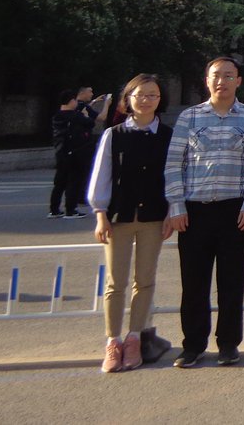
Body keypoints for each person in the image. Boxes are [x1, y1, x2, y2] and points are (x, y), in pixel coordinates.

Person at [164, 57, 244, 368]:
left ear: (238, 81)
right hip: (194, 212)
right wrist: (176, 206)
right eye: (216, 76)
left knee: (232, 282)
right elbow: (173, 165)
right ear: (206, 81)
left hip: (234, 211)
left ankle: (228, 344)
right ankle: (193, 345)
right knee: (194, 282)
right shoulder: (190, 118)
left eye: (228, 76)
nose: (221, 81)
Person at [87, 74, 173, 373]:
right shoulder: (114, 135)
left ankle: (135, 337)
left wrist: (171, 212)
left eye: (153, 95)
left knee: (145, 280)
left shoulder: (168, 135)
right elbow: (102, 176)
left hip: (153, 217)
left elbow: (173, 178)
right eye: (141, 94)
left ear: (160, 100)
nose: (147, 100)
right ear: (129, 98)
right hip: (118, 218)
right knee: (115, 282)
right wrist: (100, 213)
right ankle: (113, 341)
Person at [49, 90, 92, 219]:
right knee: (74, 181)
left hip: (60, 152)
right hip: (75, 153)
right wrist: (85, 115)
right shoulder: (75, 116)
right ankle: (70, 210)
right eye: (74, 100)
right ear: (71, 101)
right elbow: (90, 123)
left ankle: (54, 209)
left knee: (60, 182)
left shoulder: (57, 116)